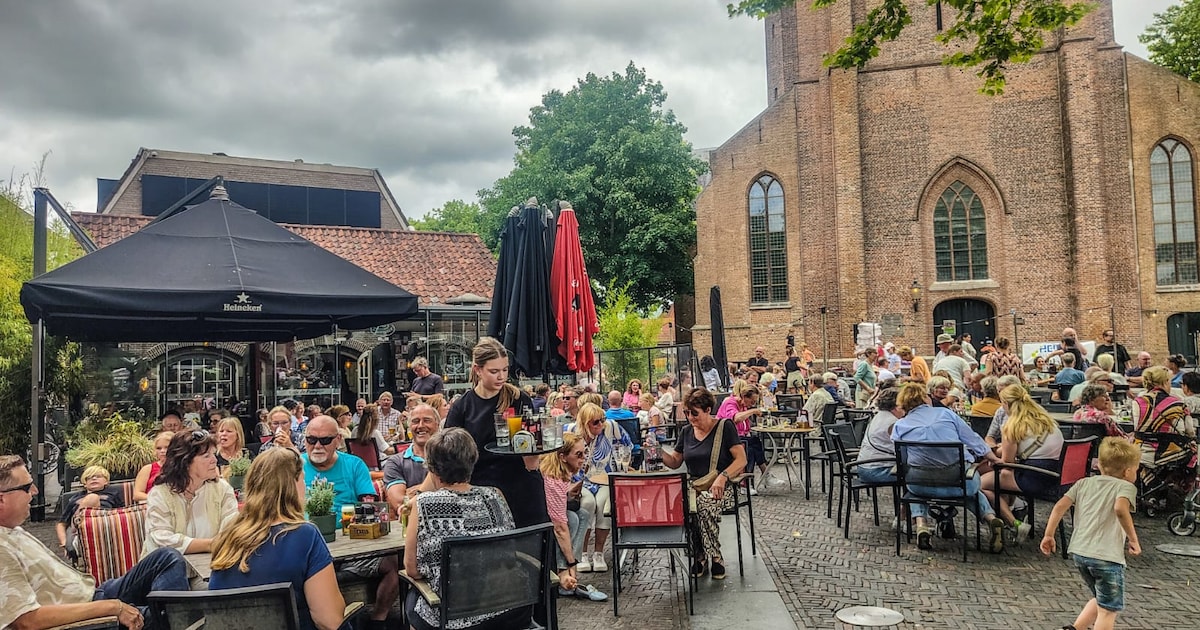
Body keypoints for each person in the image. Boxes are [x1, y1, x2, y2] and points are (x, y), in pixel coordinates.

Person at [0, 455, 190, 630]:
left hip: (94, 594)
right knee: (173, 616)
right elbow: (28, 620)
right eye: (27, 487)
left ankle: (168, 616)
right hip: (85, 619)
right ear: (1, 498)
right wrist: (112, 608)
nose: (35, 491)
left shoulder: (11, 528)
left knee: (167, 557)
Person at [404, 428, 529, 630]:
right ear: (472, 460)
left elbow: (413, 570)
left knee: (412, 601)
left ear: (433, 469)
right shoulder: (495, 495)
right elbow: (509, 553)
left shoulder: (422, 503)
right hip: (507, 609)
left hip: (454, 618)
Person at [209, 448, 347, 630]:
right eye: (302, 479)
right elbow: (329, 621)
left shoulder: (227, 535)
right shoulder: (304, 535)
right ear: (293, 483)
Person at [441, 336, 549, 529]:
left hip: (522, 486)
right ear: (477, 370)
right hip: (481, 490)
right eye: (494, 371)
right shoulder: (462, 407)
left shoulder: (518, 398)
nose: (501, 376)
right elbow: (449, 454)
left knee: (532, 552)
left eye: (505, 370)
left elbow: (532, 451)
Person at [302, 416, 395, 629]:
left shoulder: (353, 464)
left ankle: (378, 620)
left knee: (393, 563)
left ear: (338, 440)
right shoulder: (294, 465)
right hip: (306, 546)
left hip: (351, 543)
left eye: (324, 440)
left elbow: (369, 503)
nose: (317, 446)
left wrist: (361, 518)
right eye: (311, 440)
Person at [890, 382, 1006, 553]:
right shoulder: (946, 414)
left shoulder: (900, 425)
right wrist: (993, 458)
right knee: (972, 489)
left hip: (920, 484)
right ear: (925, 398)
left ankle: (922, 525)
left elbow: (903, 459)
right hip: (957, 483)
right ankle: (990, 518)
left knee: (913, 487)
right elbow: (972, 439)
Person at [1040, 438, 1141, 630]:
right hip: (1107, 557)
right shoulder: (1125, 487)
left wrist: (1049, 534)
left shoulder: (1083, 483)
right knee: (1108, 610)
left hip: (1080, 553)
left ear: (1100, 465)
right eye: (1136, 469)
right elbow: (1120, 509)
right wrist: (1133, 539)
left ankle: (1074, 628)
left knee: (1101, 597)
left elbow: (1060, 505)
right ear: (1128, 472)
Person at [661, 388, 747, 580]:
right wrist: (657, 452)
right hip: (695, 486)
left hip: (723, 487)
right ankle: (700, 554)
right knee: (682, 505)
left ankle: (712, 556)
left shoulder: (725, 427)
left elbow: (741, 460)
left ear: (708, 410)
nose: (690, 417)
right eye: (687, 413)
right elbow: (675, 462)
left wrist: (723, 477)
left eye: (694, 413)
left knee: (703, 505)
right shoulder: (686, 432)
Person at [980, 386, 1064, 541]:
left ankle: (1014, 523)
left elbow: (1008, 462)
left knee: (980, 484)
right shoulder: (1046, 421)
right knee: (1000, 478)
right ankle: (1013, 512)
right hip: (1055, 475)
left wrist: (994, 456)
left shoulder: (1012, 426)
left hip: (1032, 476)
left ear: (1006, 403)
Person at [142, 430, 239, 558]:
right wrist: (209, 545)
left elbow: (230, 529)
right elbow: (162, 539)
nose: (214, 460)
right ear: (185, 462)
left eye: (214, 454)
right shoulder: (160, 493)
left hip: (212, 566)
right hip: (166, 569)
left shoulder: (221, 489)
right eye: (206, 456)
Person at [564, 403, 632, 572]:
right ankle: (582, 553)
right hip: (579, 480)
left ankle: (599, 553)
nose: (601, 424)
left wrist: (623, 461)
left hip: (604, 477)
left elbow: (628, 444)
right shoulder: (571, 430)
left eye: (602, 420)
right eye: (596, 422)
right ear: (585, 423)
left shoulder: (611, 427)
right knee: (587, 504)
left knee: (603, 504)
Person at [540, 432, 608, 602]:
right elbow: (559, 528)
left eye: (584, 452)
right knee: (572, 519)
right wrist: (571, 563)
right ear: (562, 457)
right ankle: (564, 575)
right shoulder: (553, 479)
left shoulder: (563, 472)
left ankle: (570, 577)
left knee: (583, 514)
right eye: (579, 454)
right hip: (541, 523)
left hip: (551, 518)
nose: (583, 458)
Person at [1132, 366, 1196, 470]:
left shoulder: (1137, 402)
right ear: (1165, 382)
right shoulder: (1179, 403)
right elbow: (1190, 432)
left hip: (1142, 455)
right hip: (1171, 456)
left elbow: (1136, 427)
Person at [57, 466, 124, 561]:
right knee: (92, 498)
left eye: (98, 476)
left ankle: (75, 541)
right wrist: (64, 542)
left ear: (106, 482)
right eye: (89, 477)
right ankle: (75, 540)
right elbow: (61, 524)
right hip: (81, 527)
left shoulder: (113, 494)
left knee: (93, 498)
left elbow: (123, 513)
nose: (94, 478)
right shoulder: (74, 499)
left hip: (105, 526)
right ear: (85, 484)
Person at [383, 403, 439, 519]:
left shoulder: (450, 458)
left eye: (427, 420)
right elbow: (401, 504)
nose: (420, 425)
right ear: (409, 427)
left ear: (437, 424)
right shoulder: (395, 462)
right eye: (415, 421)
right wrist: (438, 488)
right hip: (410, 528)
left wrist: (413, 492)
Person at [717, 379, 769, 494]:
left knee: (755, 441)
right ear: (744, 396)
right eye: (752, 401)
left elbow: (744, 427)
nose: (753, 404)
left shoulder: (743, 406)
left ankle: (766, 474)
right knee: (748, 449)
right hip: (725, 438)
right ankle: (744, 483)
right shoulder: (730, 403)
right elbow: (735, 418)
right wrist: (753, 411)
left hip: (739, 437)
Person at [857, 388, 903, 484]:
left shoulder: (880, 416)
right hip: (876, 471)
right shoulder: (893, 422)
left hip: (865, 466)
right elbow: (902, 450)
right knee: (916, 477)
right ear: (896, 406)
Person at [348, 403, 393, 469]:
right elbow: (388, 451)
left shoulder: (355, 430)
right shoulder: (375, 433)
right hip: (376, 466)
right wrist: (398, 447)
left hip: (359, 465)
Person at [134, 431, 174, 503]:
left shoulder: (183, 467)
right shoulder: (148, 469)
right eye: (159, 448)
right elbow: (137, 495)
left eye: (166, 447)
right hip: (151, 506)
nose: (162, 451)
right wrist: (158, 499)